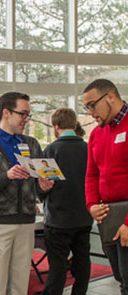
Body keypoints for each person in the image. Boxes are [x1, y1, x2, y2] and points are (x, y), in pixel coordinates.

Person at [0, 92, 53, 295]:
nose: (27, 119)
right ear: (6, 113)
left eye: (28, 114)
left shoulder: (32, 144)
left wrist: (42, 189)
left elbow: (35, 187)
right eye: (23, 114)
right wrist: (6, 176)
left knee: (20, 284)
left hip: (27, 222)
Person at [39, 108, 93, 295]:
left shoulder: (51, 150)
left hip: (58, 220)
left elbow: (44, 187)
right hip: (84, 217)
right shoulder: (87, 148)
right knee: (82, 262)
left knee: (58, 267)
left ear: (56, 126)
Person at [83, 79, 128, 294]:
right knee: (120, 277)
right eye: (87, 107)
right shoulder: (96, 134)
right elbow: (91, 175)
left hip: (126, 218)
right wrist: (91, 205)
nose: (91, 113)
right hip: (109, 218)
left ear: (110, 96)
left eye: (92, 105)